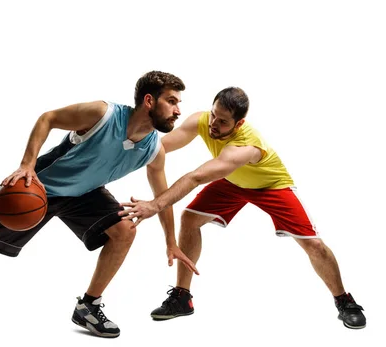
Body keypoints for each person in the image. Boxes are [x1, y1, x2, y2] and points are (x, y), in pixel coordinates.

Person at [0, 71, 198, 341]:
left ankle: (88, 305)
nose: (178, 110)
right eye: (172, 101)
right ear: (149, 101)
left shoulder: (153, 150)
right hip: (42, 186)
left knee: (125, 230)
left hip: (85, 193)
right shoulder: (102, 114)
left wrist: (170, 241)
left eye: (179, 103)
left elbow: (161, 199)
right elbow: (49, 118)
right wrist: (27, 165)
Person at [119, 87, 366, 329]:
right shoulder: (202, 121)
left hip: (271, 186)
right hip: (233, 182)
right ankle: (183, 297)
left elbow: (195, 177)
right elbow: (157, 147)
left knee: (314, 245)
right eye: (213, 114)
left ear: (238, 124)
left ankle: (344, 300)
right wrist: (119, 147)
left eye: (223, 121)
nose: (214, 124)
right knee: (190, 219)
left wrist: (155, 204)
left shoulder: (245, 146)